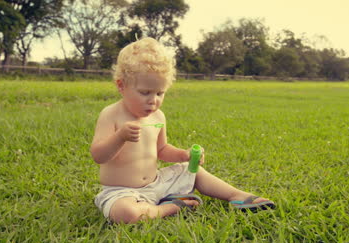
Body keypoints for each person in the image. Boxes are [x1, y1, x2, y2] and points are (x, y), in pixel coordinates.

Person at [91, 37, 275, 224]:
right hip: (123, 192)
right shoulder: (111, 115)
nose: (153, 100)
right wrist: (120, 137)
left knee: (192, 171)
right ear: (121, 85)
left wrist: (184, 155)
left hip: (157, 183)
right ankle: (169, 207)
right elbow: (98, 155)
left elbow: (162, 150)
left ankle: (237, 196)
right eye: (145, 92)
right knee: (125, 213)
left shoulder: (158, 116)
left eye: (159, 93)